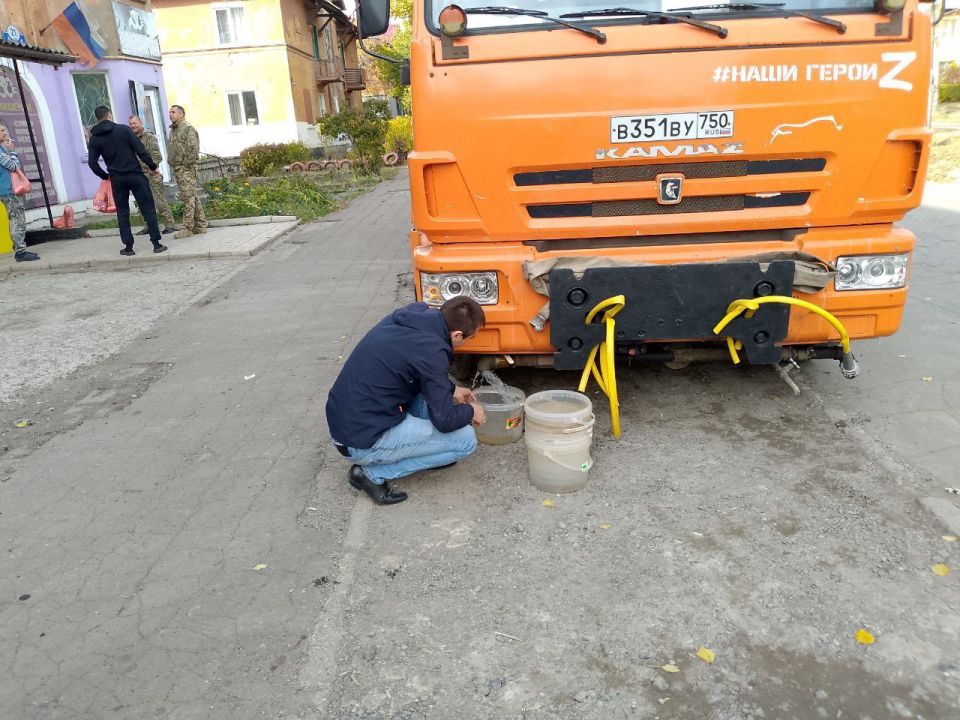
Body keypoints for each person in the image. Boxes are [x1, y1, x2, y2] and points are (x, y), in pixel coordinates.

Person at [326, 297, 488, 505]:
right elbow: (445, 420)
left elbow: (420, 369)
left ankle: (429, 451)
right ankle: (370, 475)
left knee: (429, 398)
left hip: (348, 422)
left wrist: (451, 389)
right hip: (361, 442)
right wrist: (472, 411)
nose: (466, 342)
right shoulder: (433, 351)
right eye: (469, 338)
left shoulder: (414, 320)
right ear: (456, 335)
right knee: (465, 441)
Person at [86, 106, 168, 256]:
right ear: (109, 115)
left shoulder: (95, 138)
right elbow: (140, 150)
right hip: (136, 175)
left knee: (123, 212)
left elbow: (92, 163)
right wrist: (152, 166)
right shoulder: (124, 130)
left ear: (97, 118)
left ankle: (128, 247)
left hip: (117, 179)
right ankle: (156, 244)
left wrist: (105, 176)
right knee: (148, 208)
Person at [128, 115, 176, 235]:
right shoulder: (130, 139)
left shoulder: (149, 137)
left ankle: (169, 224)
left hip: (151, 175)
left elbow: (156, 156)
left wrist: (151, 169)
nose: (133, 126)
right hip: (138, 175)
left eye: (135, 123)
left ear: (141, 123)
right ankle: (149, 226)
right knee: (142, 202)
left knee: (159, 201)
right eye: (131, 124)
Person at [166, 105, 207, 239]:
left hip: (186, 169)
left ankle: (187, 228)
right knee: (191, 195)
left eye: (173, 112)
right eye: (170, 112)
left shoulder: (187, 128)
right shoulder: (174, 130)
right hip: (178, 168)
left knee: (187, 198)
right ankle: (200, 225)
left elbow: (193, 149)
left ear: (181, 114)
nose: (170, 114)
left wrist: (186, 166)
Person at [0, 124, 39, 262]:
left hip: (9, 190)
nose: (5, 132)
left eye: (4, 129)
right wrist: (12, 151)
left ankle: (19, 248)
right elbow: (15, 166)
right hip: (9, 191)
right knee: (17, 219)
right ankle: (20, 252)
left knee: (17, 218)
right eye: (1, 130)